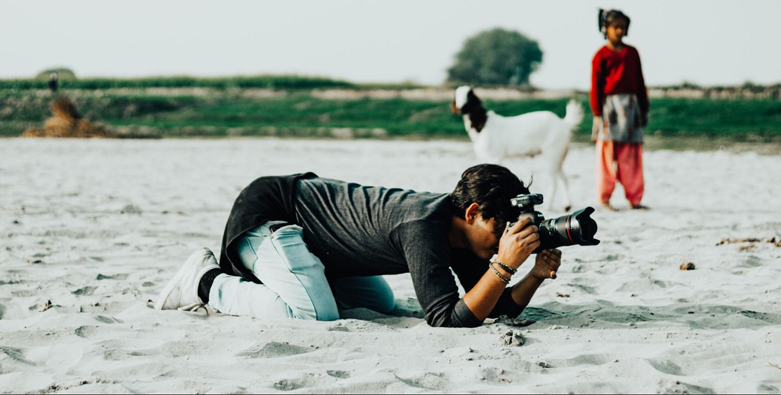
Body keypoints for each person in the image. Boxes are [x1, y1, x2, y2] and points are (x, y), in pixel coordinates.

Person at [155, 164, 562, 328]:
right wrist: (504, 267)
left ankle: (299, 277)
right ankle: (206, 281)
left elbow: (490, 304)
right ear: (472, 212)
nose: (504, 241)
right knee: (314, 314)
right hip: (272, 214)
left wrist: (536, 275)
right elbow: (445, 320)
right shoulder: (424, 226)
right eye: (501, 230)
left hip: (318, 245)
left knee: (382, 304)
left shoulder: (462, 236)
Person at [591, 9, 649, 211]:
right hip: (609, 109)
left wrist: (644, 108)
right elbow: (596, 86)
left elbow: (640, 82)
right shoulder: (600, 56)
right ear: (606, 29)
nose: (620, 31)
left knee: (631, 155)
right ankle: (604, 198)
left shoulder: (632, 53)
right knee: (607, 155)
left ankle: (635, 199)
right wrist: (597, 112)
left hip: (632, 108)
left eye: (623, 28)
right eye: (617, 27)